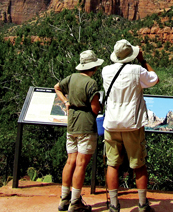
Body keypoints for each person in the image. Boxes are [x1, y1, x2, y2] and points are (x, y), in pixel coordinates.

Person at [102, 39, 159, 212]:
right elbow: (155, 79)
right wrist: (142, 60)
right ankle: (142, 204)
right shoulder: (137, 70)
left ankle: (113, 204)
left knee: (112, 164)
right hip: (133, 125)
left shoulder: (105, 71)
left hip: (111, 124)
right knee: (139, 164)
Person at [54, 50, 104, 212]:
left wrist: (66, 102)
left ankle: (64, 199)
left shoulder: (71, 78)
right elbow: (95, 109)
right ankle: (75, 202)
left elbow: (57, 87)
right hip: (86, 126)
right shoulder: (91, 83)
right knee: (81, 164)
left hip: (72, 125)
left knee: (70, 161)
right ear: (94, 66)